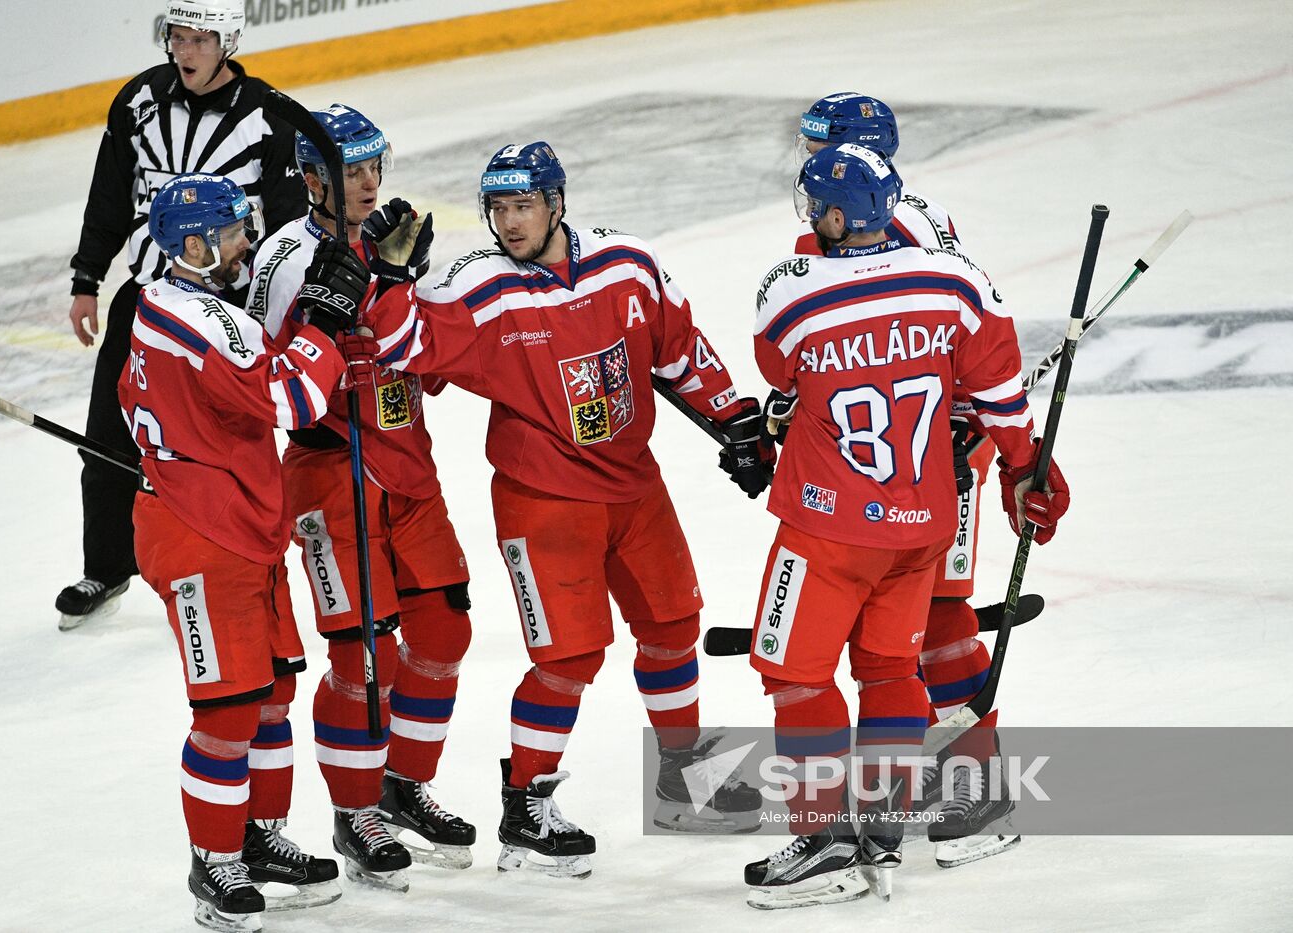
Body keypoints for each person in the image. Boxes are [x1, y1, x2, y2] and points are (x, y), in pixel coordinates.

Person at [353, 141, 772, 878]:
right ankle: (526, 807)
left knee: (673, 625)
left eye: (524, 205)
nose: (510, 223)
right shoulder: (477, 287)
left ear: (556, 201)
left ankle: (685, 778)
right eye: (498, 209)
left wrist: (735, 415)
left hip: (634, 487)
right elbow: (401, 344)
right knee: (570, 653)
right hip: (542, 498)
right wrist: (389, 279)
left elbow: (678, 349)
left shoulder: (627, 263)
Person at [741, 145, 1069, 909]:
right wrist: (1028, 470)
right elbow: (999, 396)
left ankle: (824, 843)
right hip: (922, 523)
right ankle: (882, 834)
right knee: (890, 671)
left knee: (794, 674)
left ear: (830, 215)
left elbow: (776, 372)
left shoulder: (792, 291)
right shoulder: (957, 279)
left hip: (827, 529)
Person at [120, 172, 373, 931]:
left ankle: (258, 838)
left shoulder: (177, 301)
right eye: (233, 233)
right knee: (227, 710)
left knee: (269, 693)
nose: (246, 244)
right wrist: (325, 323)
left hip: (238, 518)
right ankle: (215, 861)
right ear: (194, 247)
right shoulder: (204, 320)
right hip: (202, 535)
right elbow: (295, 401)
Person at [777, 92, 1015, 863]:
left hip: (930, 456)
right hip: (925, 445)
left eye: (819, 145)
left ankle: (978, 787)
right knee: (909, 631)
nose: (804, 160)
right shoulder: (911, 213)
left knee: (937, 620)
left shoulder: (884, 234)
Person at [245, 104, 476, 891]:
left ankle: (403, 785)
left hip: (408, 459)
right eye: (351, 171)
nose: (371, 182)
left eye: (376, 164)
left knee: (444, 630)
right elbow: (280, 393)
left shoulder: (402, 236)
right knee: (360, 653)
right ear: (311, 178)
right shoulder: (281, 261)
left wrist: (403, 289)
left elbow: (437, 360)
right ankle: (355, 810)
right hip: (328, 474)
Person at [57, 0, 306, 631]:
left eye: (199, 38)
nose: (185, 50)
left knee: (224, 445)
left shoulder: (269, 117)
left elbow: (286, 226)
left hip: (225, 309)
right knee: (107, 434)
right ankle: (107, 565)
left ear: (227, 40)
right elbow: (111, 190)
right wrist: (88, 276)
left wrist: (288, 305)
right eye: (177, 36)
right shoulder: (139, 102)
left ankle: (248, 556)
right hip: (144, 301)